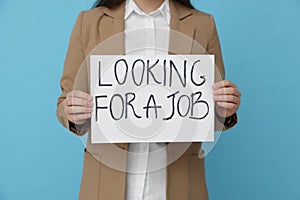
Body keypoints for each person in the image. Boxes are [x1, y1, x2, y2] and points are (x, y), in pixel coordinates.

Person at [56, 0, 241, 199]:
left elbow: (204, 110)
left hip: (181, 183)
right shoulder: (89, 22)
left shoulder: (203, 25)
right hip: (106, 184)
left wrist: (223, 111)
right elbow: (66, 101)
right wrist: (74, 111)